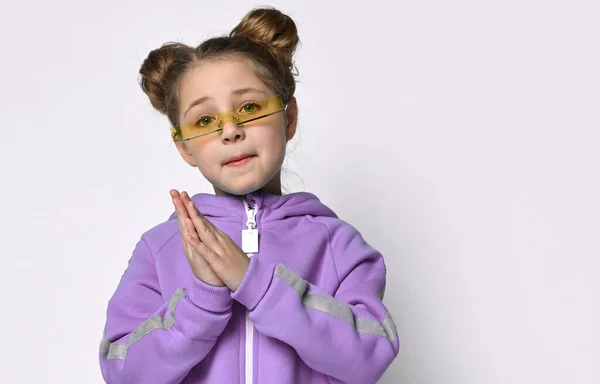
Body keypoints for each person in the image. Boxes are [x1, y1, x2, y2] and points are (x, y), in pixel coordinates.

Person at [98, 6, 399, 384]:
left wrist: (256, 284)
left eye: (249, 108)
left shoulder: (337, 245)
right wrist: (202, 299)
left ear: (288, 119)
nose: (230, 131)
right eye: (205, 120)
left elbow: (367, 357)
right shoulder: (159, 248)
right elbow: (124, 372)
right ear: (185, 147)